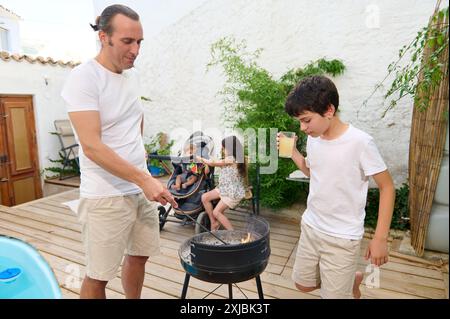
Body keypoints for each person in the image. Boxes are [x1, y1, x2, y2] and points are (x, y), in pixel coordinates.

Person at [61, 4, 177, 299]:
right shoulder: (84, 78)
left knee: (139, 256)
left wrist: (141, 166)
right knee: (98, 275)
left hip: (139, 189)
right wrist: (143, 178)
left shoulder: (131, 77)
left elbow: (134, 118)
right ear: (104, 37)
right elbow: (91, 146)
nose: (136, 50)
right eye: (128, 41)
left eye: (139, 42)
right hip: (105, 195)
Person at [283, 75, 395, 299]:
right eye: (299, 122)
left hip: (343, 237)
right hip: (311, 226)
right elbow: (313, 172)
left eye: (306, 120)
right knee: (302, 285)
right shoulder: (315, 137)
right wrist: (293, 152)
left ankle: (346, 285)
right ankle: (347, 280)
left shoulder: (361, 143)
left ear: (329, 110)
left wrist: (380, 238)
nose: (303, 128)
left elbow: (387, 188)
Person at [198, 136, 247, 231]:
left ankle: (232, 233)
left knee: (217, 212)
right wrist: (207, 162)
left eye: (224, 148)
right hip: (224, 188)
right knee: (205, 197)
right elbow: (214, 164)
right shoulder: (229, 159)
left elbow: (213, 163)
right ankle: (213, 222)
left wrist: (201, 159)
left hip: (232, 192)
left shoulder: (231, 159)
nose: (223, 150)